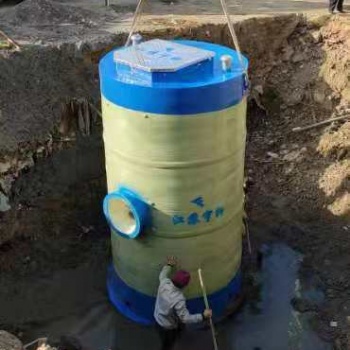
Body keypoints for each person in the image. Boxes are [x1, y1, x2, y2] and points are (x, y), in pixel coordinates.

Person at [154, 256, 212, 350]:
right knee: (168, 343)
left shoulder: (164, 283)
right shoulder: (178, 299)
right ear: (184, 285)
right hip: (168, 327)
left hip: (158, 319)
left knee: (167, 338)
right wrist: (203, 316)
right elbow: (185, 318)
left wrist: (169, 265)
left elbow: (162, 275)